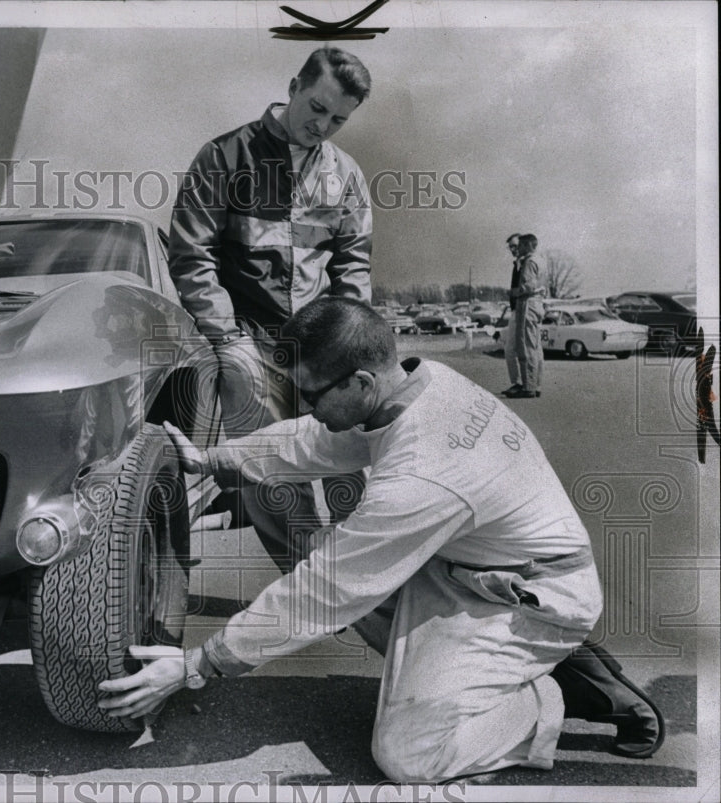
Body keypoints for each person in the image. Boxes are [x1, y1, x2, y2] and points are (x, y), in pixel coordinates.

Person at [99, 297, 664, 782]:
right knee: (346, 573)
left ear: (361, 382)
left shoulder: (424, 470)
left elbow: (327, 590)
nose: (309, 408)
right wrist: (215, 459)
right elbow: (315, 443)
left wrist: (199, 664)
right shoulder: (421, 383)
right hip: (472, 570)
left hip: (533, 598)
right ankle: (485, 670)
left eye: (313, 394)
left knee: (410, 754)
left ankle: (545, 695)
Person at [168, 47, 373, 573]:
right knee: (271, 470)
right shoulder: (222, 157)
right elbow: (191, 254)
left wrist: (349, 339)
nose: (323, 126)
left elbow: (353, 264)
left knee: (350, 456)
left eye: (339, 120)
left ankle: (366, 576)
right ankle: (311, 588)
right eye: (317, 108)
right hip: (250, 341)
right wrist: (225, 335)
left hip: (321, 340)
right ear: (293, 87)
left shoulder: (346, 175)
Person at [507, 233, 546, 398]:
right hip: (538, 304)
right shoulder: (542, 260)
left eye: (521, 245)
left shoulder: (529, 262)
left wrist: (513, 292)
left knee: (527, 346)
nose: (518, 249)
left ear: (529, 245)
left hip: (528, 304)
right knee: (535, 346)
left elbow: (527, 286)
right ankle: (535, 384)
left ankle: (528, 386)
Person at [500, 233, 523, 396]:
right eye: (510, 248)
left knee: (510, 349)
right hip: (518, 310)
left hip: (522, 310)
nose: (513, 250)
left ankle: (519, 383)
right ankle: (524, 383)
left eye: (515, 246)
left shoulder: (525, 264)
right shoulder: (518, 264)